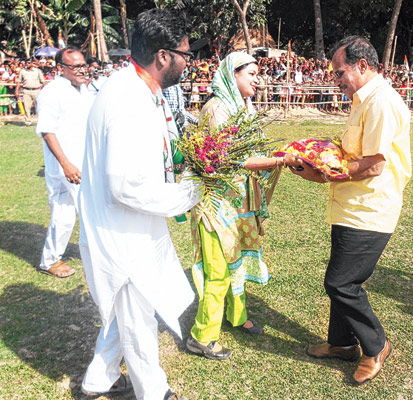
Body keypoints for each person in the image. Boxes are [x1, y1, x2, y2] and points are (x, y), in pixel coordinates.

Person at [78, 9, 201, 400]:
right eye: (185, 54)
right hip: (122, 231)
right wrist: (191, 192)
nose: (188, 62)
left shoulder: (136, 89)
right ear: (163, 56)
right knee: (137, 318)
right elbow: (126, 185)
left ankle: (99, 380)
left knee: (125, 311)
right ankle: (154, 392)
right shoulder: (128, 99)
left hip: (130, 225)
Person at [285, 36, 411, 384]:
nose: (335, 79)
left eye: (340, 72)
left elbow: (373, 165)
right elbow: (352, 153)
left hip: (370, 209)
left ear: (363, 66)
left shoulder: (381, 103)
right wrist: (319, 153)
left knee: (341, 283)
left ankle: (376, 345)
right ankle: (342, 344)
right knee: (343, 278)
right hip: (351, 206)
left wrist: (326, 174)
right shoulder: (362, 100)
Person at [186, 52, 283, 360]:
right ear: (233, 74)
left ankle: (237, 315)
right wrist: (277, 160)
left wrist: (274, 158)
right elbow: (231, 159)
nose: (257, 79)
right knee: (218, 271)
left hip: (239, 202)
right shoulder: (216, 109)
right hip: (216, 205)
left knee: (236, 262)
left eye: (258, 73)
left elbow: (252, 152)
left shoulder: (243, 107)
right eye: (251, 73)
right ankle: (202, 336)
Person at [36, 47, 94, 278]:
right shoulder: (52, 92)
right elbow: (48, 131)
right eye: (75, 66)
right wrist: (66, 164)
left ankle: (50, 260)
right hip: (67, 166)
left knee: (64, 213)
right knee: (87, 210)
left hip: (83, 161)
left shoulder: (84, 89)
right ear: (60, 68)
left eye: (83, 65)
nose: (82, 70)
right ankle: (95, 254)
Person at [15, 58, 46, 125]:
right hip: (26, 90)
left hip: (36, 90)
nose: (27, 64)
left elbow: (43, 81)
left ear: (32, 63)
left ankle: (40, 122)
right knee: (27, 107)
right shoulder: (22, 71)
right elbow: (19, 82)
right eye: (26, 63)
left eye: (29, 63)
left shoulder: (38, 71)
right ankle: (28, 122)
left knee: (39, 107)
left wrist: (44, 91)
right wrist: (17, 90)